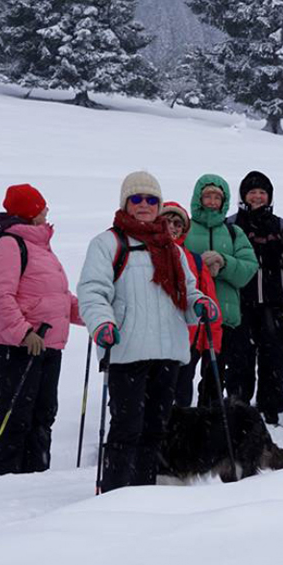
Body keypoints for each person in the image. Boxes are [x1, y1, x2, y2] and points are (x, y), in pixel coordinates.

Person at [77, 171, 217, 492]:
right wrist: (102, 323)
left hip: (167, 352)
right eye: (136, 199)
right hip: (127, 350)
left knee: (156, 428)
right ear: (125, 203)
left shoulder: (173, 249)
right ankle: (113, 491)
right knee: (127, 427)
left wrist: (200, 304)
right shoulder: (108, 243)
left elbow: (188, 292)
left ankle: (142, 492)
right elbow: (93, 291)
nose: (144, 205)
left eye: (151, 200)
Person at [0, 184, 83, 476]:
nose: (46, 211)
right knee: (15, 414)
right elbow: (0, 297)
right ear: (29, 212)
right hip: (14, 346)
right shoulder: (9, 245)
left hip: (47, 343)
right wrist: (24, 334)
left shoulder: (40, 246)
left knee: (43, 413)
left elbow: (56, 298)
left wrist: (94, 314)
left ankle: (35, 476)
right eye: (41, 207)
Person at [226, 171, 283, 424]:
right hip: (240, 305)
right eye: (252, 192)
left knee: (274, 360)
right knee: (239, 360)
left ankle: (270, 411)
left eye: (262, 192)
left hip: (273, 305)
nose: (257, 196)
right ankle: (238, 407)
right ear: (243, 196)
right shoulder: (231, 225)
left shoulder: (280, 226)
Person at [184, 174, 258, 406]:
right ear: (199, 197)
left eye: (218, 196)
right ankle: (179, 429)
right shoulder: (184, 228)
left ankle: (210, 428)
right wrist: (198, 267)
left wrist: (224, 262)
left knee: (214, 381)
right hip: (188, 317)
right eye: (208, 195)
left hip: (223, 318)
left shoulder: (234, 232)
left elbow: (248, 269)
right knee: (181, 378)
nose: (213, 201)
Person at [160, 201, 223, 408]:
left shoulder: (194, 261)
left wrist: (211, 344)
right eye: (166, 221)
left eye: (177, 223)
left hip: (189, 341)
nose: (172, 227)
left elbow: (209, 304)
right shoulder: (146, 255)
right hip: (156, 340)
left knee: (182, 396)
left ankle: (179, 438)